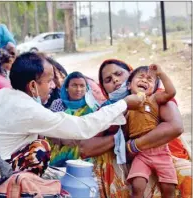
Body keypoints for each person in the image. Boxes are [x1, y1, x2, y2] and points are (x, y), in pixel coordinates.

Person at [0, 52, 144, 176]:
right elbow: (83, 127)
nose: (54, 86)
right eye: (49, 81)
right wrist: (123, 104)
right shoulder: (28, 109)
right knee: (41, 149)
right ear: (33, 86)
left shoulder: (2, 95)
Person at [80, 59, 191, 197]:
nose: (115, 80)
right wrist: (118, 138)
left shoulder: (155, 96)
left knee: (184, 176)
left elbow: (175, 127)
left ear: (131, 75)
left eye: (118, 74)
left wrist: (134, 145)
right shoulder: (108, 109)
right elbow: (85, 148)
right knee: (112, 164)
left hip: (165, 155)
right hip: (134, 161)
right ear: (104, 88)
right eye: (108, 80)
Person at [125, 65, 177, 197]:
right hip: (140, 154)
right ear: (129, 85)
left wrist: (161, 73)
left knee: (169, 187)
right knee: (137, 185)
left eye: (150, 79)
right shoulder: (126, 105)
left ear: (154, 89)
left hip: (160, 150)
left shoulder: (154, 99)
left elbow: (171, 92)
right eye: (141, 77)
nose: (144, 80)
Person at [48, 71, 99, 167]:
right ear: (66, 87)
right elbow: (50, 129)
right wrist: (63, 139)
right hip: (60, 150)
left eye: (82, 86)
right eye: (74, 85)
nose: (78, 89)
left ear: (86, 88)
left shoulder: (91, 105)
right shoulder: (58, 104)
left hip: (85, 151)